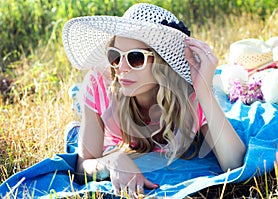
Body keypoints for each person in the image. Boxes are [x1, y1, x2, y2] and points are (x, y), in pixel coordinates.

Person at [62, 3, 246, 198]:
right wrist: (110, 161)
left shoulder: (190, 96)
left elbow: (234, 163)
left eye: (135, 58)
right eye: (115, 56)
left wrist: (204, 90)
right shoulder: (100, 85)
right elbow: (82, 167)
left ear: (163, 62)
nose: (121, 68)